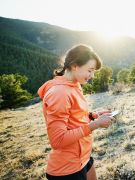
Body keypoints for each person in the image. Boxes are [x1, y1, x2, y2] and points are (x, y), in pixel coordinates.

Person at [38, 44, 114, 180]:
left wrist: (93, 115)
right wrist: (95, 125)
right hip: (67, 169)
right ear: (74, 66)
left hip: (83, 157)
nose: (92, 76)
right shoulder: (59, 93)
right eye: (90, 70)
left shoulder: (74, 84)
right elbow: (58, 140)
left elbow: (74, 116)